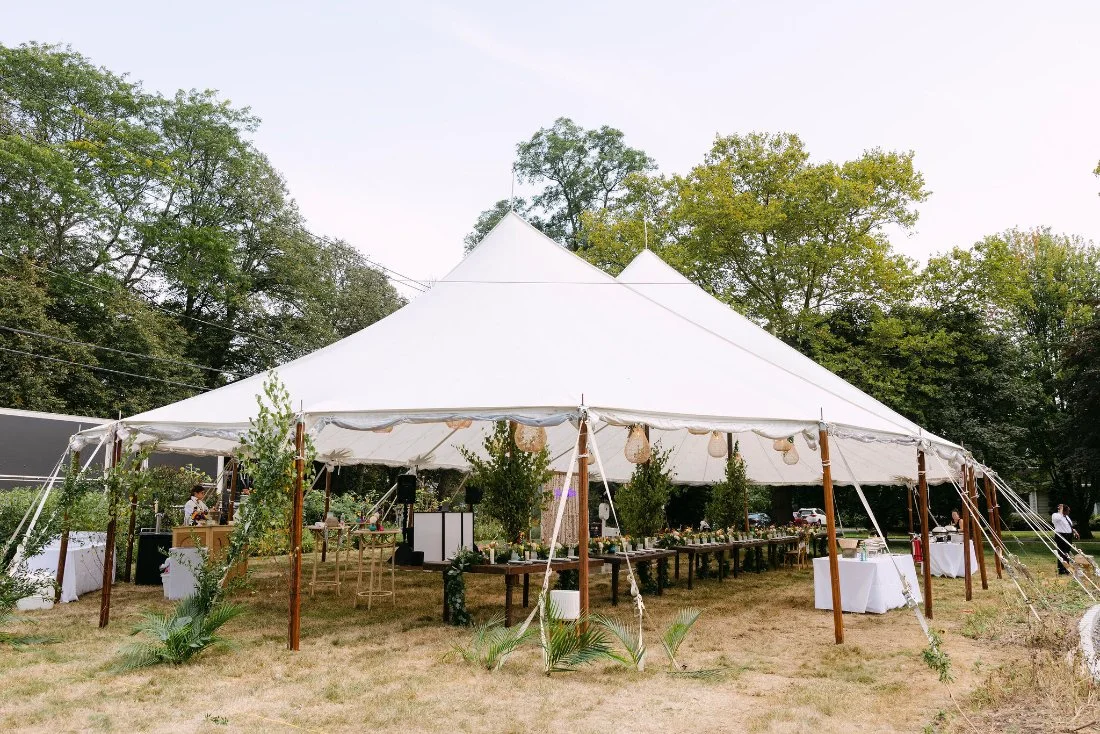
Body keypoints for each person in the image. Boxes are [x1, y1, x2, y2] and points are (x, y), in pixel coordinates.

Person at [1052, 503, 1078, 575]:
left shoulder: (1067, 517)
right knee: (1062, 552)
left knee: (1067, 552)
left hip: (1068, 536)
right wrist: (1061, 510)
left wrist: (1074, 531)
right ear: (1063, 510)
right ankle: (1061, 569)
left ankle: (1067, 568)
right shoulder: (1056, 515)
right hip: (1061, 535)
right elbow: (1058, 519)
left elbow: (1068, 526)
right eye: (1068, 511)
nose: (1069, 512)